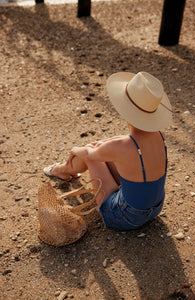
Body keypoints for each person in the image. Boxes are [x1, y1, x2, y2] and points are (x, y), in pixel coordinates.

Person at [44, 71, 172, 230]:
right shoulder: (160, 134)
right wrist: (103, 144)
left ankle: (62, 170)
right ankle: (64, 170)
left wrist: (75, 149)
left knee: (91, 154)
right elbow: (126, 144)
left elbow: (88, 153)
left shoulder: (121, 147)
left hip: (125, 217)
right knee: (102, 150)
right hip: (155, 209)